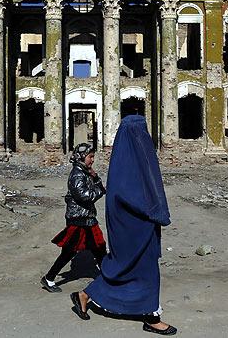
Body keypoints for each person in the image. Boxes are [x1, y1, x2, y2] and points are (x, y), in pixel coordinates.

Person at [69, 115, 177, 335]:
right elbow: (128, 195)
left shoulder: (127, 159)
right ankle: (151, 317)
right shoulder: (128, 162)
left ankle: (87, 294)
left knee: (126, 266)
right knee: (144, 269)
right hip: (135, 223)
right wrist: (154, 211)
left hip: (134, 222)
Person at [40, 143, 107, 293]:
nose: (92, 160)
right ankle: (49, 278)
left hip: (86, 218)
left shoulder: (85, 172)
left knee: (98, 247)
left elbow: (94, 187)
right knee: (72, 251)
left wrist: (96, 178)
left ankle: (108, 277)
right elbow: (84, 196)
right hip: (78, 219)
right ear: (82, 157)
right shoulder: (77, 174)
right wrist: (100, 190)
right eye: (90, 157)